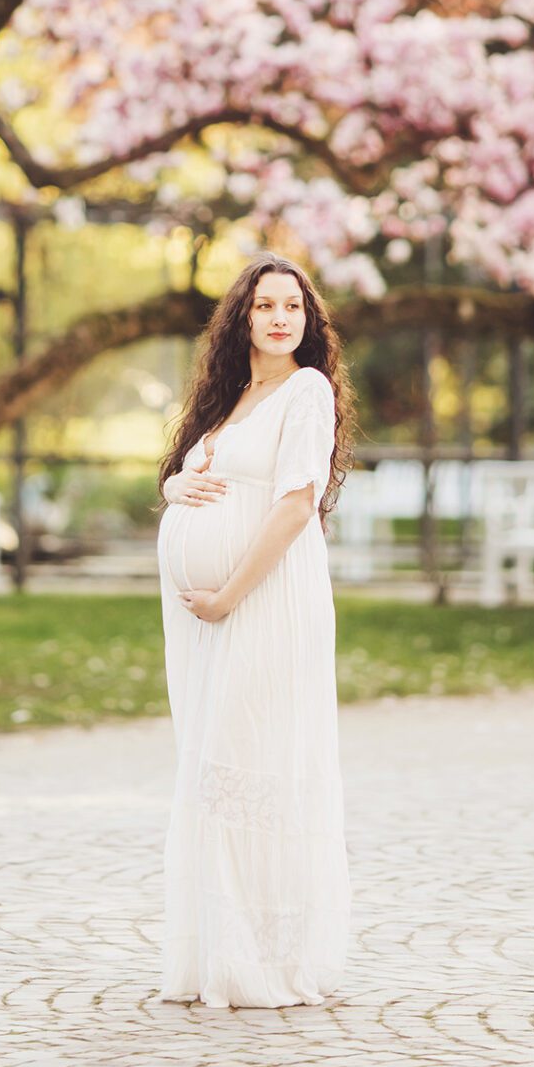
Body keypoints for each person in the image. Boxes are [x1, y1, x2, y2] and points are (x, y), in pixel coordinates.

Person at [152, 252, 352, 1007]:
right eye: (264, 306)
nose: (278, 318)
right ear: (242, 318)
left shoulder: (305, 392)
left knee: (249, 763)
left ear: (308, 321)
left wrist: (231, 594)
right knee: (209, 763)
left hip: (266, 601)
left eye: (291, 307)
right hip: (209, 617)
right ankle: (216, 951)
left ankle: (264, 957)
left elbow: (296, 504)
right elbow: (194, 472)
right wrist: (176, 484)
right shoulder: (233, 395)